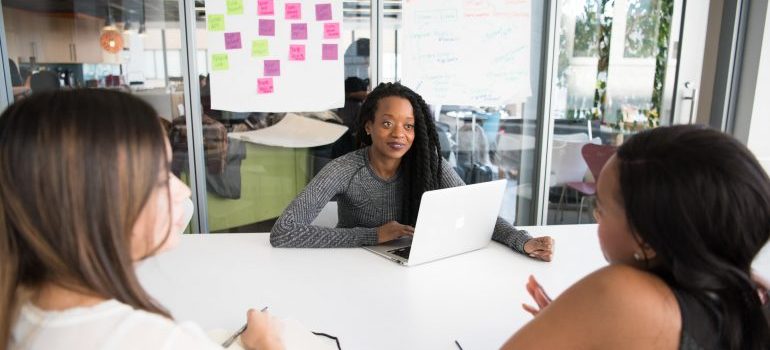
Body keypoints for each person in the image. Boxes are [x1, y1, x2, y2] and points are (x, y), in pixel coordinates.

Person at [0, 90, 283, 350]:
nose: (183, 189)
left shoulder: (20, 307)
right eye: (160, 179)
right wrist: (266, 342)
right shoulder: (154, 340)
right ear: (96, 204)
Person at [503, 125, 770, 349]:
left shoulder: (621, 294)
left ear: (648, 241)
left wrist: (582, 315)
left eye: (602, 208)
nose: (596, 217)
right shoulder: (748, 295)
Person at [271, 82, 554, 261]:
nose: (399, 134)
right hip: (350, 268)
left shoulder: (427, 165)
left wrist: (523, 241)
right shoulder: (344, 169)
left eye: (408, 126)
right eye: (387, 123)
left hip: (410, 267)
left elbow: (477, 213)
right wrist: (372, 235)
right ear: (368, 126)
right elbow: (284, 232)